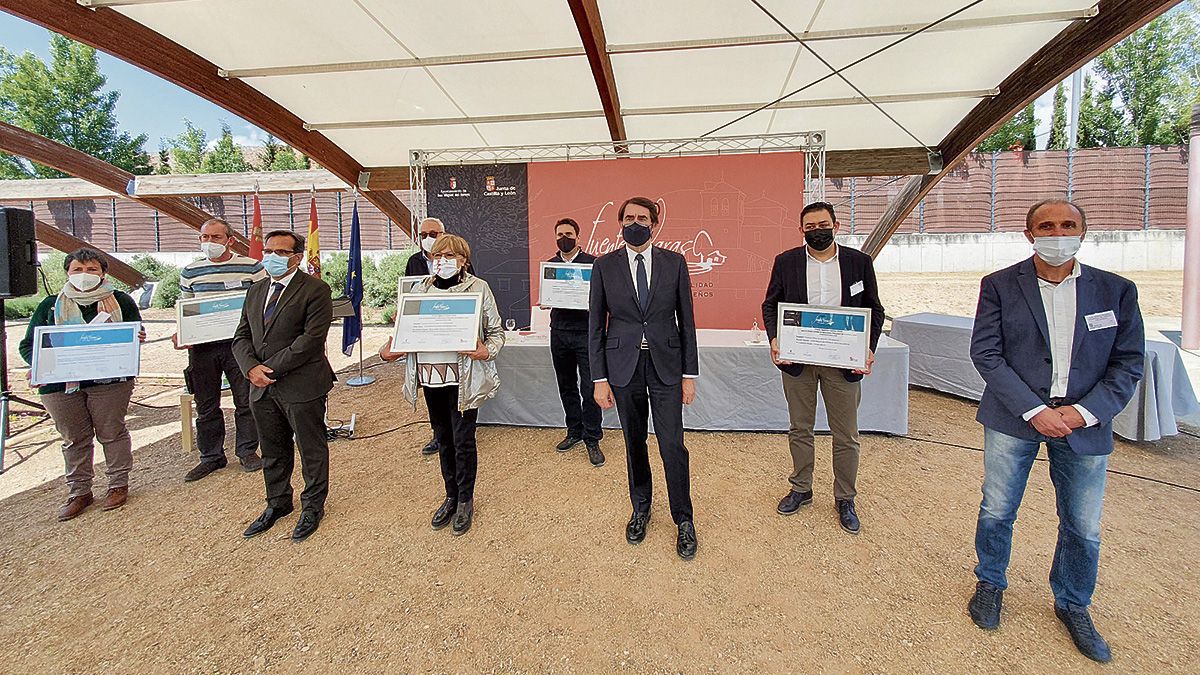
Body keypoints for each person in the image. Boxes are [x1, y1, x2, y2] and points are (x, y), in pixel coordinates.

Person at [967, 199, 1144, 663]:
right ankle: (990, 582)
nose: (1057, 232)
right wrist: (1032, 409)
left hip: (1083, 423)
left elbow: (1128, 363)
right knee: (997, 507)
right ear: (1030, 234)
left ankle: (1073, 603)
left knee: (1083, 524)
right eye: (1046, 226)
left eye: (1068, 225)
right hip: (1014, 419)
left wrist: (1084, 412)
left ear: (1083, 232)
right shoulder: (1000, 286)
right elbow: (987, 353)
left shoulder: (1116, 291)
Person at [761, 201, 884, 535]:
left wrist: (868, 348)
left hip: (842, 363)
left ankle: (845, 497)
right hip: (798, 361)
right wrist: (774, 338)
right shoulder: (786, 262)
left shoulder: (859, 262)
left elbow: (874, 309)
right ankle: (801, 487)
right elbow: (771, 304)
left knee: (846, 435)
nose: (817, 231)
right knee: (800, 428)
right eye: (810, 227)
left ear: (836, 225)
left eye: (823, 224)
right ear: (802, 230)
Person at [589, 196, 699, 560]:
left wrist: (689, 374)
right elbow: (596, 326)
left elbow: (687, 322)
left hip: (666, 367)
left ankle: (683, 519)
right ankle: (641, 508)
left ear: (654, 223)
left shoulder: (675, 263)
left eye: (643, 218)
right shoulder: (604, 266)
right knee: (634, 443)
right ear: (619, 223)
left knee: (672, 445)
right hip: (623, 368)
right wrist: (599, 378)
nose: (636, 223)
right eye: (629, 217)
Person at [379, 234, 504, 536]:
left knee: (463, 440)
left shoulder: (478, 288)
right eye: (438, 255)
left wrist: (485, 350)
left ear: (464, 259)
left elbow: (497, 333)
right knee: (442, 438)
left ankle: (465, 500)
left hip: (464, 379)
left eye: (450, 256)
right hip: (430, 377)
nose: (443, 261)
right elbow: (402, 337)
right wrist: (393, 342)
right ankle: (450, 495)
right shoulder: (417, 290)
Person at [19, 248, 145, 521]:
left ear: (103, 273)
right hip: (60, 386)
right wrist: (44, 364)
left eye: (91, 270)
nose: (84, 275)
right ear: (67, 272)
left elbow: (134, 334)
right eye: (78, 270)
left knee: (112, 432)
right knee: (74, 438)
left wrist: (135, 339)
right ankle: (79, 492)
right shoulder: (50, 305)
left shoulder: (122, 302)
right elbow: (29, 346)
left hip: (110, 382)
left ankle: (117, 485)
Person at [232, 230, 335, 542]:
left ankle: (312, 506)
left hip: (301, 385)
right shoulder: (255, 290)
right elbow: (242, 335)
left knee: (311, 448)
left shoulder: (316, 290)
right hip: (261, 387)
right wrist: (251, 368)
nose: (272, 257)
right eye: (268, 250)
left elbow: (311, 340)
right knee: (274, 449)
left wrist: (270, 369)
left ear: (297, 257)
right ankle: (277, 503)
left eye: (280, 252)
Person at [174, 218, 266, 481]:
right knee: (206, 404)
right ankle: (211, 456)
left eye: (215, 237)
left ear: (230, 240)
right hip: (203, 348)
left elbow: (262, 304)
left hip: (240, 345)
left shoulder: (251, 267)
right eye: (205, 237)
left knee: (245, 399)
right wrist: (181, 332)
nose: (209, 242)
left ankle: (247, 451)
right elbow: (185, 308)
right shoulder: (190, 272)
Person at [545, 217, 604, 466]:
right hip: (558, 331)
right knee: (566, 385)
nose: (564, 238)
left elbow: (602, 300)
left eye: (568, 234)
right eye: (559, 234)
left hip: (586, 333)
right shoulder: (549, 265)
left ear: (578, 237)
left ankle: (592, 437)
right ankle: (574, 430)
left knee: (590, 388)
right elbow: (545, 297)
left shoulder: (593, 264)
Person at [406, 217, 446, 458]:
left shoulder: (458, 261)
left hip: (451, 334)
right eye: (423, 234)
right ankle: (437, 433)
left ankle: (459, 431)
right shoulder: (413, 262)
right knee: (431, 388)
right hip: (425, 337)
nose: (428, 238)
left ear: (443, 234)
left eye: (433, 233)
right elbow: (408, 296)